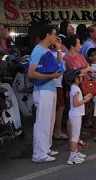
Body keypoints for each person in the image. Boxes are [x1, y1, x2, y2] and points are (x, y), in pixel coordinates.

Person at [28, 25, 63, 163]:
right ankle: (38, 153)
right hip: (42, 91)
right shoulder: (38, 50)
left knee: (49, 120)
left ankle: (45, 148)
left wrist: (59, 48)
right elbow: (31, 73)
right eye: (54, 34)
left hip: (49, 89)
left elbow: (60, 65)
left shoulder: (47, 50)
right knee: (42, 121)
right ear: (48, 34)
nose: (56, 37)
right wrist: (51, 76)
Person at [64, 68, 92, 165]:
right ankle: (72, 157)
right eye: (80, 77)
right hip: (75, 115)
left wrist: (84, 98)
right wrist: (86, 100)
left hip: (76, 114)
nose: (82, 78)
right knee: (75, 137)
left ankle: (75, 152)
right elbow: (76, 104)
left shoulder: (74, 88)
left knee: (75, 135)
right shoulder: (75, 89)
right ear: (75, 78)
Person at [53, 35, 68, 141]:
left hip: (52, 84)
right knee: (60, 107)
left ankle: (55, 131)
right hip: (57, 84)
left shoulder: (47, 53)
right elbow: (64, 70)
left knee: (55, 108)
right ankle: (57, 131)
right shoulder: (62, 55)